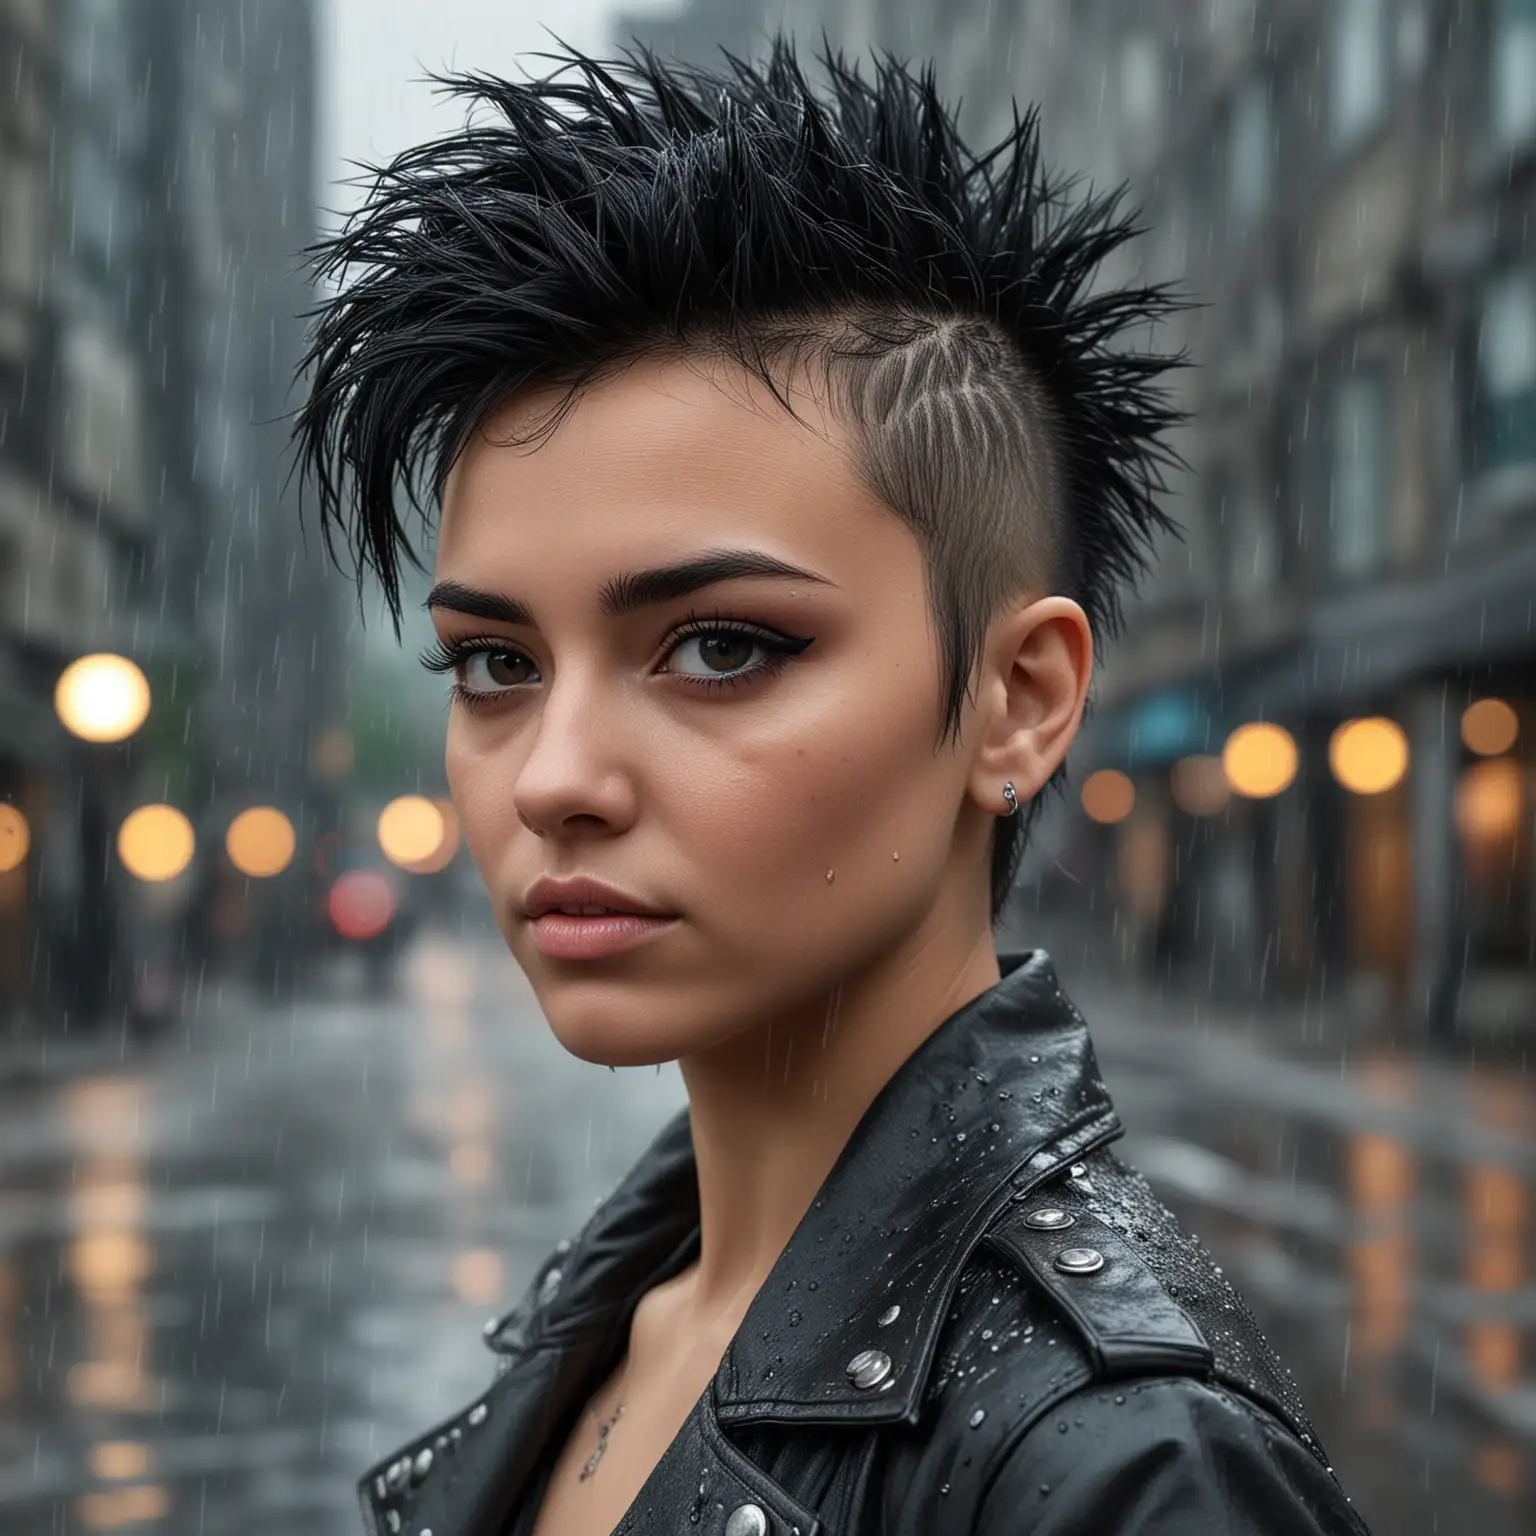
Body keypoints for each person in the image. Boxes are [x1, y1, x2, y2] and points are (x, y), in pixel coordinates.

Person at [291, 33, 1373, 1536]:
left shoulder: (1128, 1469)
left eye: (722, 647)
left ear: (1017, 701)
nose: (554, 778)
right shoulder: (629, 1310)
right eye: (494, 664)